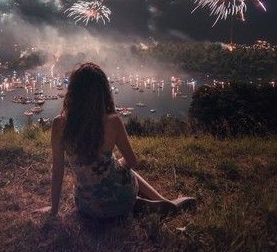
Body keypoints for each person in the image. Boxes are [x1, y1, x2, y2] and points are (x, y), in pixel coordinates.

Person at [38, 63, 196, 220]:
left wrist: (54, 210)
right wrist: (118, 162)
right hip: (123, 197)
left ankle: (138, 204)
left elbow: (58, 170)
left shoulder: (59, 124)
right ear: (103, 92)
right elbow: (132, 161)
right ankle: (162, 202)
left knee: (112, 171)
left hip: (87, 207)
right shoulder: (113, 122)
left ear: (73, 91)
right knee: (122, 168)